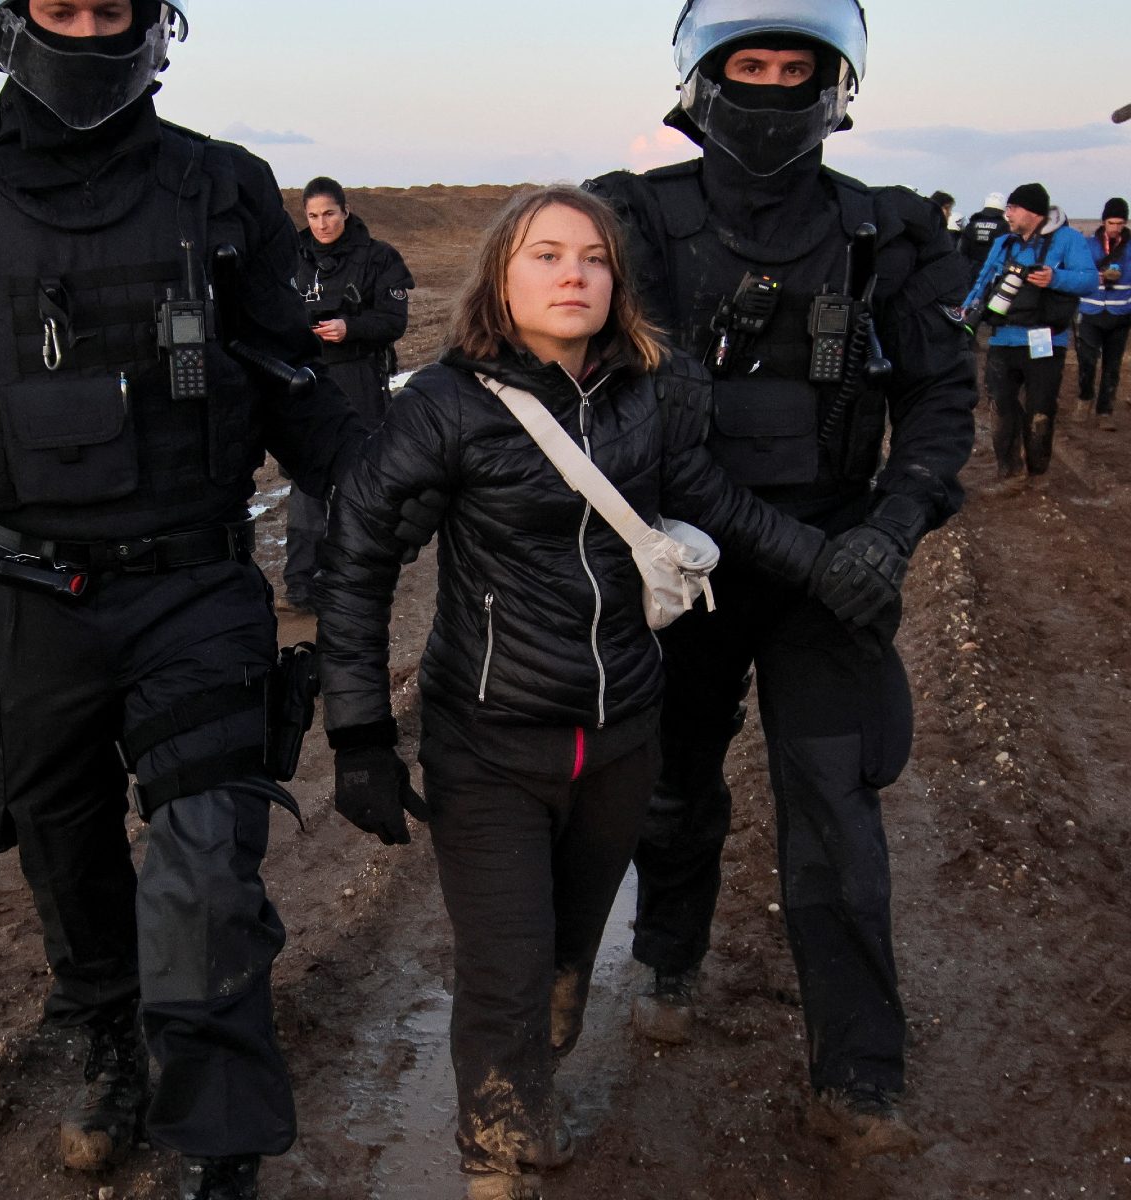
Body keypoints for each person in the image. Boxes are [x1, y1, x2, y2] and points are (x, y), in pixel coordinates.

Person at [0, 3, 365, 1197]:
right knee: (66, 856)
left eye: (113, 6)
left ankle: (219, 1139)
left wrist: (418, 512)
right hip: (39, 596)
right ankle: (109, 1044)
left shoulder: (223, 189)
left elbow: (294, 388)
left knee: (208, 866)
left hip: (199, 587)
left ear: (157, 24)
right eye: (63, 5)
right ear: (5, 24)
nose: (89, 28)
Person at [314, 186, 866, 1200]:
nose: (572, 273)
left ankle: (545, 1039)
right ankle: (495, 1150)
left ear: (618, 282)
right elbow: (355, 557)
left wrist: (839, 571)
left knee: (569, 941)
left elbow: (720, 509)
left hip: (620, 735)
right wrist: (357, 733)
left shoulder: (650, 396)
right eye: (544, 255)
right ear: (500, 278)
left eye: (592, 258)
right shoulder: (444, 405)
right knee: (505, 959)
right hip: (487, 739)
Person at [584, 0, 977, 1153]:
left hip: (837, 566)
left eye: (789, 67)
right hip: (688, 562)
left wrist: (890, 529)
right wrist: (809, 554)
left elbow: (942, 399)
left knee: (836, 809)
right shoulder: (633, 218)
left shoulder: (892, 231)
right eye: (744, 65)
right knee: (671, 782)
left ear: (833, 84)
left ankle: (859, 1072)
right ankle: (667, 956)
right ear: (704, 80)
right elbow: (649, 424)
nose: (766, 88)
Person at [282, 176, 415, 614]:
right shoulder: (290, 259)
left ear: (346, 210)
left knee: (359, 480)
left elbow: (393, 320)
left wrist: (349, 329)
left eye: (329, 214)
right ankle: (301, 583)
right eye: (313, 216)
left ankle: (359, 576)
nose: (321, 224)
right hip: (306, 381)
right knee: (306, 483)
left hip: (360, 378)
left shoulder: (378, 259)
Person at [963, 183, 1097, 487]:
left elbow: (1089, 281)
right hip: (1002, 338)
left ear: (1033, 211)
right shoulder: (1005, 242)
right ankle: (1007, 471)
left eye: (1013, 208)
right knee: (1001, 406)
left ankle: (1037, 473)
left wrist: (1055, 277)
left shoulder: (1069, 240)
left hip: (1045, 340)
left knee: (1040, 408)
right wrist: (966, 311)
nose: (1007, 214)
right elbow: (983, 280)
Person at [1074, 198, 1131, 430]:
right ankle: (1084, 398)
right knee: (1086, 361)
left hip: (1121, 313)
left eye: (1120, 223)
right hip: (1091, 311)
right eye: (1111, 222)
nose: (1115, 228)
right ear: (1103, 221)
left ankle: (1105, 411)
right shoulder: (1087, 245)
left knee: (1112, 366)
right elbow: (1076, 274)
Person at [959, 191, 1009, 284]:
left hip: (969, 276)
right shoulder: (1005, 227)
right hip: (992, 276)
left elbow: (962, 252)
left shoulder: (971, 225)